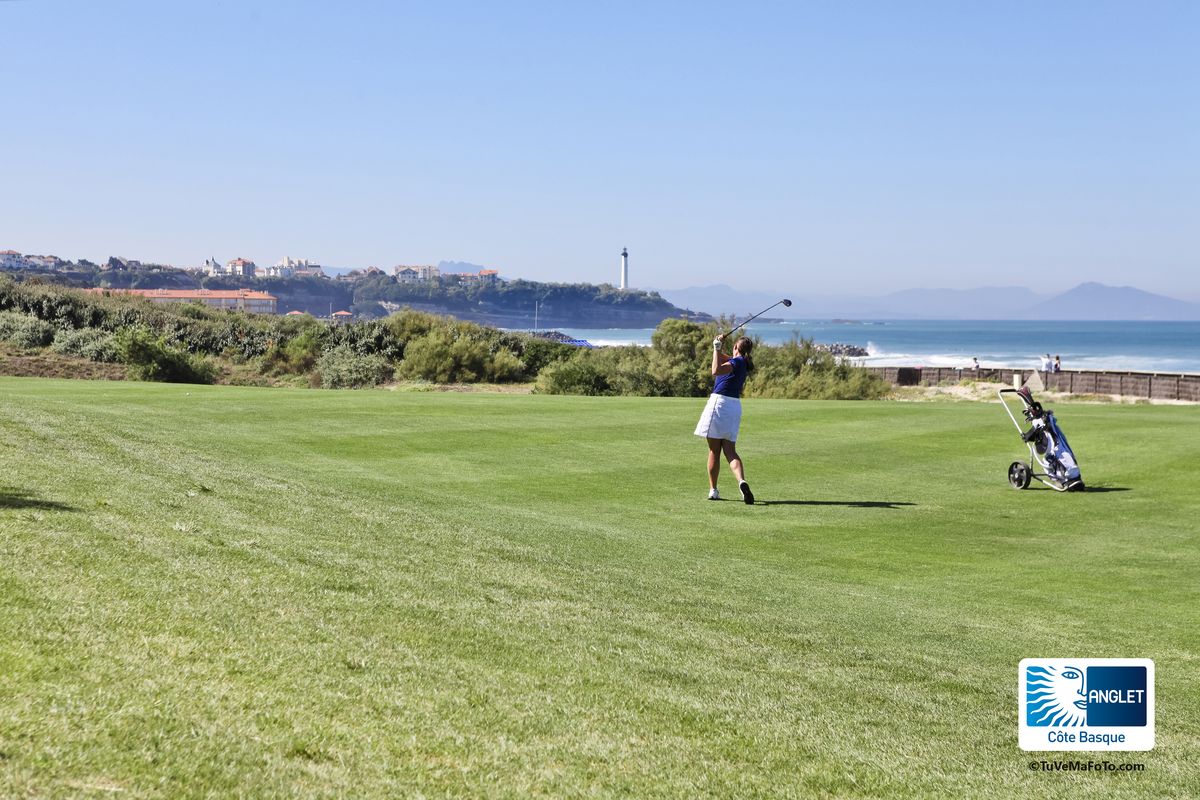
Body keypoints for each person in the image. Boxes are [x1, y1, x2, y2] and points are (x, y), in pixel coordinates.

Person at [694, 334, 755, 504]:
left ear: (737, 348)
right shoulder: (743, 362)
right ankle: (742, 482)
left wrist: (716, 347)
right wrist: (719, 345)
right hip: (734, 407)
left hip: (719, 404)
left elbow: (715, 370)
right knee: (730, 451)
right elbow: (723, 358)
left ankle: (713, 490)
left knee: (714, 450)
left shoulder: (735, 362)